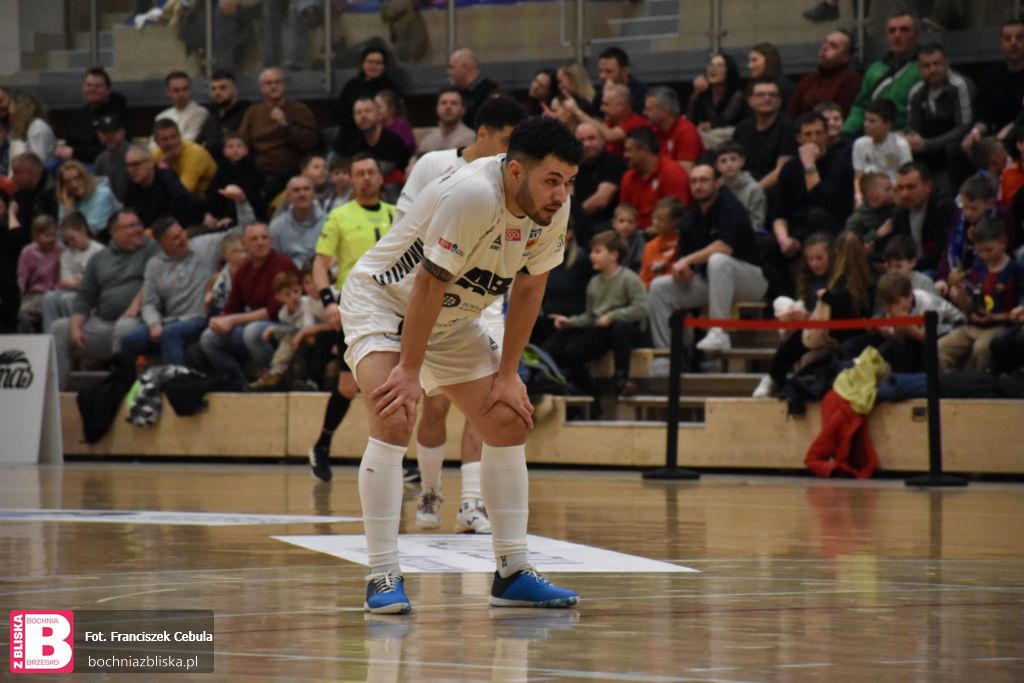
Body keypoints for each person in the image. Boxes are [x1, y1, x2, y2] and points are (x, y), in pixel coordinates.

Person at [337, 117, 581, 613]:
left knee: (508, 419)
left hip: (453, 316)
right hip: (385, 303)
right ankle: (382, 574)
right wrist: (408, 370)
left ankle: (512, 571)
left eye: (569, 181)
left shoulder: (551, 207)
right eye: (552, 180)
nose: (561, 194)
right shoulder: (474, 194)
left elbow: (531, 286)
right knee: (393, 415)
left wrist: (508, 374)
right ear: (516, 171)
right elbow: (428, 283)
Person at [392, 96, 526, 531]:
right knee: (434, 407)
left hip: (486, 301)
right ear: (481, 133)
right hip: (436, 295)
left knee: (484, 402)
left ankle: (472, 503)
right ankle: (430, 491)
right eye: (505, 140)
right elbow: (404, 230)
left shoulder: (513, 179)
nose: (510, 151)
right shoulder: (433, 164)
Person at [307, 153, 395, 481]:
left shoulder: (397, 214)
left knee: (394, 381)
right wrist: (328, 301)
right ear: (351, 179)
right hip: (356, 306)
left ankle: (394, 455)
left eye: (371, 172)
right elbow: (320, 264)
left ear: (381, 178)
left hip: (393, 305)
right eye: (360, 173)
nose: (366, 178)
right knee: (349, 386)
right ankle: (322, 445)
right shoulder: (339, 216)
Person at [648, 162, 767, 353]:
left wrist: (687, 261)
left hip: (750, 280)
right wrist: (683, 271)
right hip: (712, 282)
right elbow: (683, 256)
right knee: (659, 287)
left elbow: (724, 247)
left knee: (718, 260)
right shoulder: (692, 215)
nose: (698, 186)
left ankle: (719, 331)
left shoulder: (731, 206)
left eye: (703, 180)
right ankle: (666, 355)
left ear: (717, 183)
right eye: (693, 181)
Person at [50, 209, 160, 388]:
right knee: (59, 329)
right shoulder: (99, 258)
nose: (138, 229)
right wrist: (76, 326)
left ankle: (118, 391)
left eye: (138, 224)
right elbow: (85, 296)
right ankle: (56, 394)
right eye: (130, 226)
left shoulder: (152, 250)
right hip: (104, 323)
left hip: (139, 320)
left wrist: (135, 305)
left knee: (125, 328)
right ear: (114, 232)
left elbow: (153, 281)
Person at [544, 230, 648, 402]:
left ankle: (622, 378)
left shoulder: (629, 278)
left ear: (613, 255)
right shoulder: (594, 282)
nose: (592, 256)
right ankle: (585, 390)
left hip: (627, 331)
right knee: (571, 350)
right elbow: (590, 316)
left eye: (597, 252)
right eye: (592, 251)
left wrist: (613, 316)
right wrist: (570, 322)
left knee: (620, 327)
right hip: (602, 330)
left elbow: (641, 309)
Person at [121, 217, 239, 366]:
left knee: (170, 334)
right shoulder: (154, 265)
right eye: (175, 238)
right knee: (129, 340)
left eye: (182, 232)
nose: (182, 239)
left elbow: (241, 232)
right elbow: (149, 303)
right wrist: (154, 323)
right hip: (170, 319)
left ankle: (176, 377)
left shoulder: (204, 245)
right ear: (162, 244)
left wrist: (241, 205)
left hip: (200, 317)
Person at [199, 221, 298, 388]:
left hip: (284, 324)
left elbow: (272, 311)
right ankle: (238, 383)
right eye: (254, 239)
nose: (260, 242)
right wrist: (220, 321)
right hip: (253, 325)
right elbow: (232, 306)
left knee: (252, 332)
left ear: (271, 241)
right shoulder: (244, 267)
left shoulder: (283, 265)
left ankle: (273, 379)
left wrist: (232, 320)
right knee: (209, 337)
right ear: (244, 244)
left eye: (264, 238)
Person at [938, 218, 1021, 372]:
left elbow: (1017, 312)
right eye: (980, 251)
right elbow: (969, 308)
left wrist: (993, 318)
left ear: (1003, 243)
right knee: (941, 346)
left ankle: (981, 384)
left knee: (981, 348)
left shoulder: (1014, 270)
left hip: (1000, 326)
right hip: (973, 326)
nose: (984, 255)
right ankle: (948, 383)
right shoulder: (978, 266)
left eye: (989, 250)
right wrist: (959, 290)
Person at [238, 68, 318, 199]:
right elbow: (243, 141)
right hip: (259, 167)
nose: (273, 86)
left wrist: (285, 124)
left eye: (277, 82)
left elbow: (309, 142)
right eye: (268, 83)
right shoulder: (253, 112)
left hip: (289, 167)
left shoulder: (299, 109)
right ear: (262, 88)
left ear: (284, 85)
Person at [843, 10, 921, 136]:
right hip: (873, 137)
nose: (897, 35)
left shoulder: (926, 67)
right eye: (892, 31)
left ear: (916, 35)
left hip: (910, 137)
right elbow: (861, 106)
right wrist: (846, 133)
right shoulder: (875, 69)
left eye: (904, 30)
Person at [248, 269, 326, 389]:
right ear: (279, 297)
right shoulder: (283, 313)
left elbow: (305, 328)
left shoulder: (306, 304)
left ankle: (276, 372)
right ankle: (278, 375)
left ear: (301, 289)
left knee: (288, 339)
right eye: (288, 294)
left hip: (317, 336)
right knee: (285, 339)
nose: (294, 297)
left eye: (296, 291)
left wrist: (274, 329)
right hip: (301, 341)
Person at [905, 44, 973, 179]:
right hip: (928, 141)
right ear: (919, 69)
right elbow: (913, 127)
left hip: (955, 141)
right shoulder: (916, 92)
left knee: (954, 149)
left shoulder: (959, 85)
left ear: (947, 63)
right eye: (926, 66)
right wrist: (912, 139)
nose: (932, 69)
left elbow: (964, 127)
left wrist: (928, 145)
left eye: (937, 64)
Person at [874, 271, 964, 372]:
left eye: (895, 303)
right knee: (889, 348)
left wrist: (905, 321)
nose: (891, 309)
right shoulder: (891, 308)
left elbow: (926, 338)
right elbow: (899, 339)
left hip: (951, 328)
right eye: (886, 305)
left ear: (910, 297)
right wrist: (891, 327)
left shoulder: (926, 302)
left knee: (927, 351)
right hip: (919, 335)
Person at [963, 19, 1024, 159]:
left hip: (1019, 133)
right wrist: (976, 131)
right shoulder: (992, 75)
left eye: (1019, 38)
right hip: (997, 135)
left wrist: (1011, 128)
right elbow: (983, 113)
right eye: (1007, 39)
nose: (1013, 43)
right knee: (966, 146)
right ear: (1001, 44)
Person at [937, 176, 1002, 292]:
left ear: (989, 204)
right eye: (965, 207)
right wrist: (944, 278)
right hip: (958, 276)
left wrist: (965, 276)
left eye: (974, 208)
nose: (968, 213)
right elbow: (949, 249)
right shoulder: (959, 219)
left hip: (988, 277)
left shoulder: (1000, 218)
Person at [334, 97, 412, 193]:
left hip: (394, 190)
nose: (363, 115)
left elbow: (382, 172)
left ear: (378, 114)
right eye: (358, 113)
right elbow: (336, 164)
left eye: (368, 111)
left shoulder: (393, 141)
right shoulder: (351, 140)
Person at [42, 212, 103, 333]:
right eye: (67, 241)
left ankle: (72, 332)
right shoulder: (66, 254)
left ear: (83, 231)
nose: (70, 243)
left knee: (67, 299)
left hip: (91, 293)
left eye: (72, 239)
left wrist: (77, 281)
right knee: (49, 297)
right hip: (72, 289)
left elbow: (96, 281)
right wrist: (79, 280)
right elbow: (65, 281)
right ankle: (49, 335)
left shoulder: (99, 251)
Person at [618, 127, 690, 230]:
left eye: (628, 150)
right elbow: (623, 213)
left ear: (643, 150)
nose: (625, 155)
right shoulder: (628, 177)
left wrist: (646, 233)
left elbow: (676, 218)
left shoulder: (673, 174)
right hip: (632, 232)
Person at [731, 78, 795, 191]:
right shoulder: (742, 128)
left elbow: (782, 170)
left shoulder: (788, 127)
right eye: (760, 95)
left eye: (772, 95)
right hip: (744, 185)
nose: (767, 98)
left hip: (775, 189)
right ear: (750, 101)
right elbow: (733, 163)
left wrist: (753, 191)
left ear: (779, 101)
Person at [570, 121, 627, 246]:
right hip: (582, 229)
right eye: (581, 140)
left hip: (609, 231)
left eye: (591, 138)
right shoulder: (575, 166)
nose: (586, 144)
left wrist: (573, 216)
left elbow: (601, 200)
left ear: (602, 140)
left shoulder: (614, 162)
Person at [892, 161, 955, 273]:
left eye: (910, 187)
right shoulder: (899, 212)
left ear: (928, 186)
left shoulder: (944, 208)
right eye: (900, 188)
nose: (904, 194)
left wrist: (910, 266)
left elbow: (941, 254)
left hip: (937, 270)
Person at [58, 67, 130, 165]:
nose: (92, 89)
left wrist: (75, 153)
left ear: (108, 90)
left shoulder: (117, 115)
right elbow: (70, 142)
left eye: (98, 86)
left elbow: (109, 150)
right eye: (89, 85)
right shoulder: (79, 115)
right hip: (73, 162)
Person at [333, 46, 403, 138]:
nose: (373, 66)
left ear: (384, 66)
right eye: (369, 62)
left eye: (378, 63)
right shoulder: (352, 86)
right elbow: (339, 115)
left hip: (383, 136)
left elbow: (397, 116)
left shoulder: (391, 88)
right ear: (362, 64)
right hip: (352, 134)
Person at [788, 30, 862, 118]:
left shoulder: (851, 80)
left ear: (845, 56)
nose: (824, 47)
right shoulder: (808, 81)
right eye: (825, 42)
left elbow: (842, 115)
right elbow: (792, 114)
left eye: (833, 46)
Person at [563, 83, 647, 158]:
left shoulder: (636, 123)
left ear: (621, 106)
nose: (601, 108)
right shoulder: (610, 122)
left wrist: (576, 111)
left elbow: (609, 136)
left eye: (606, 104)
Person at [852, 98, 912, 203]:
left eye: (872, 121)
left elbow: (906, 176)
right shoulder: (859, 144)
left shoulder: (900, 145)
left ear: (887, 124)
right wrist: (858, 195)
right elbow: (858, 177)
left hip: (894, 197)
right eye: (866, 119)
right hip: (868, 197)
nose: (866, 124)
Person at [123, 144, 193, 229]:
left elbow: (181, 207)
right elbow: (128, 213)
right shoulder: (132, 185)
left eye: (136, 164)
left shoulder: (168, 180)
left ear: (150, 163)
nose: (131, 170)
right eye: (128, 165)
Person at [203, 134, 264, 229]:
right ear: (224, 151)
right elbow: (213, 192)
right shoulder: (222, 168)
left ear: (246, 150)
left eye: (239, 146)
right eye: (230, 146)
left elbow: (250, 197)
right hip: (220, 215)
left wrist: (231, 217)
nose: (235, 150)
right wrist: (210, 213)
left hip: (244, 216)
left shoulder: (252, 170)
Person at [269, 175, 328, 268]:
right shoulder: (277, 226)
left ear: (314, 194)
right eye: (296, 190)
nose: (302, 194)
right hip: (289, 273)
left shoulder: (328, 222)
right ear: (288, 196)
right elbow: (273, 260)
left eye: (306, 189)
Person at [686, 53, 745, 144]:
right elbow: (689, 121)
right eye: (711, 65)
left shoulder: (736, 96)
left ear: (729, 71)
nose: (713, 69)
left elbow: (724, 121)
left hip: (729, 141)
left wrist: (710, 125)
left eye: (719, 66)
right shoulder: (702, 94)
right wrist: (697, 94)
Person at [152, 118, 219, 199]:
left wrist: (164, 167)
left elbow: (183, 193)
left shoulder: (195, 153)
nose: (170, 143)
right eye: (164, 139)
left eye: (173, 137)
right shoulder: (155, 154)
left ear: (180, 136)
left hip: (207, 198)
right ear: (156, 141)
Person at [17, 215, 61, 332]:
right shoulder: (27, 252)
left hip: (54, 295)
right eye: (47, 236)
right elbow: (22, 279)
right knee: (22, 314)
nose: (51, 239)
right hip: (34, 295)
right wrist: (21, 296)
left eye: (54, 235)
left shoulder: (61, 251)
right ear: (36, 236)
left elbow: (63, 277)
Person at [643, 86, 703, 173]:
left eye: (649, 109)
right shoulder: (653, 130)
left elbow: (684, 173)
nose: (644, 113)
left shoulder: (686, 132)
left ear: (665, 111)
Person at [56, 161, 122, 238]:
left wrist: (68, 213)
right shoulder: (68, 199)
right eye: (68, 181)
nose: (74, 185)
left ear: (86, 177)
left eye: (77, 178)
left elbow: (87, 235)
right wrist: (68, 209)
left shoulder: (103, 195)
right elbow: (60, 238)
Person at [197, 69, 250, 159]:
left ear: (234, 90)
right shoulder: (212, 117)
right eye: (213, 89)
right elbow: (198, 143)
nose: (217, 93)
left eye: (223, 88)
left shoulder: (245, 113)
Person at [714, 141, 767, 231]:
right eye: (723, 161)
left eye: (733, 159)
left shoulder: (754, 189)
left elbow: (757, 224)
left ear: (742, 161)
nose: (729, 164)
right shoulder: (715, 188)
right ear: (717, 166)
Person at [845, 172, 896, 263]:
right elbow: (850, 248)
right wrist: (877, 234)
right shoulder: (856, 220)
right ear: (872, 195)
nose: (893, 191)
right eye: (887, 189)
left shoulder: (895, 210)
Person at [447, 48, 499, 128]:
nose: (449, 72)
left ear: (464, 67)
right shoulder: (453, 92)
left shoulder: (489, 92)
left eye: (452, 67)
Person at [640, 197, 685, 288]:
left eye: (661, 220)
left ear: (676, 222)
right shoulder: (649, 246)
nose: (656, 223)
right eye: (654, 218)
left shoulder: (683, 242)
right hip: (651, 290)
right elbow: (644, 277)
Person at [591, 46, 648, 115]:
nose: (602, 76)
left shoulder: (641, 92)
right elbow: (594, 114)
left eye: (609, 71)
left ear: (624, 71)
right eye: (600, 71)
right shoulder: (601, 91)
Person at [155, 71, 209, 142]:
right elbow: (153, 144)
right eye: (176, 90)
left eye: (185, 89)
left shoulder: (200, 113)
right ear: (168, 92)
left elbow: (189, 140)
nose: (181, 94)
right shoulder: (161, 117)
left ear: (190, 90)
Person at [417, 88, 476, 154]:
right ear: (437, 108)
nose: (448, 106)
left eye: (454, 103)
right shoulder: (427, 140)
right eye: (444, 103)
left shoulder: (472, 139)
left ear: (463, 109)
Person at [8, 93, 56, 165]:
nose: (10, 111)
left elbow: (38, 159)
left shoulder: (37, 127)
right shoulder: (30, 127)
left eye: (11, 106)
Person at [93, 114, 131, 202]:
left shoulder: (134, 155)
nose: (110, 137)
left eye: (113, 132)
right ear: (99, 135)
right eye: (105, 133)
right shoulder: (101, 159)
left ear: (123, 132)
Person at [747, 42, 794, 109]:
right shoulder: (752, 85)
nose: (749, 66)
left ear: (769, 60)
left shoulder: (785, 87)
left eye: (754, 60)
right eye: (749, 61)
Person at [611, 204, 643, 273]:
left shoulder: (639, 241)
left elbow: (639, 264)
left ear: (636, 224)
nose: (626, 225)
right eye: (621, 221)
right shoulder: (610, 239)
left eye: (630, 222)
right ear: (614, 223)